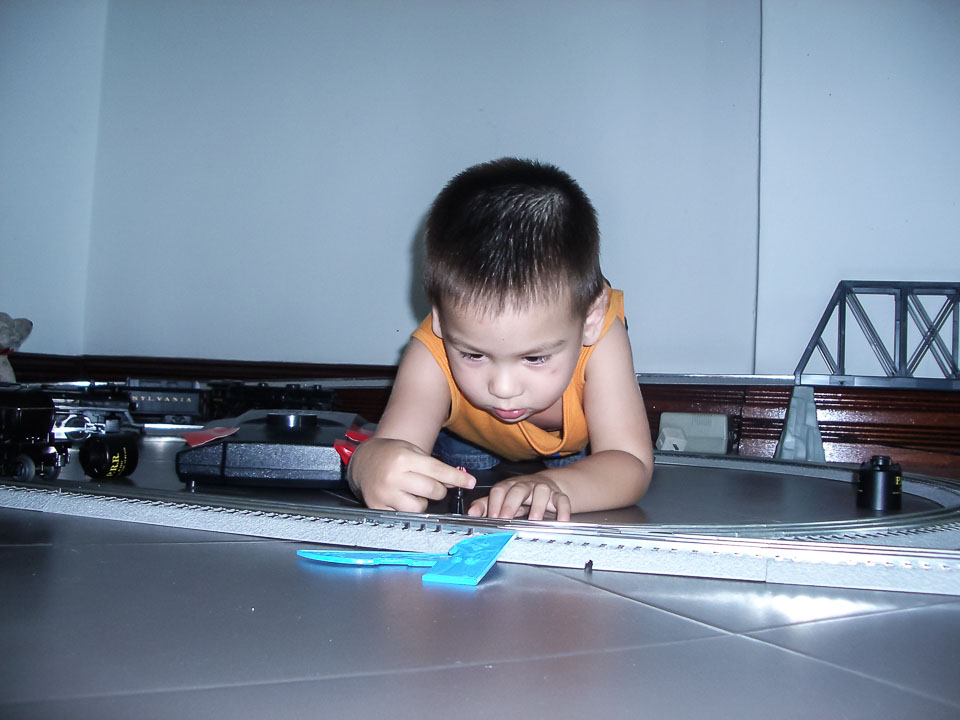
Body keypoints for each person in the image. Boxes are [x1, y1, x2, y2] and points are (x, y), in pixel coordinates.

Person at [348, 157, 653, 521]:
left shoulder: (603, 335)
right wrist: (365, 466)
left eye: (535, 358)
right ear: (440, 320)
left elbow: (630, 462)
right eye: (474, 355)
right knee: (449, 473)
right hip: (467, 443)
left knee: (582, 482)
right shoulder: (430, 352)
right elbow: (392, 448)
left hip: (576, 453)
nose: (503, 388)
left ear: (590, 319)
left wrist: (557, 485)